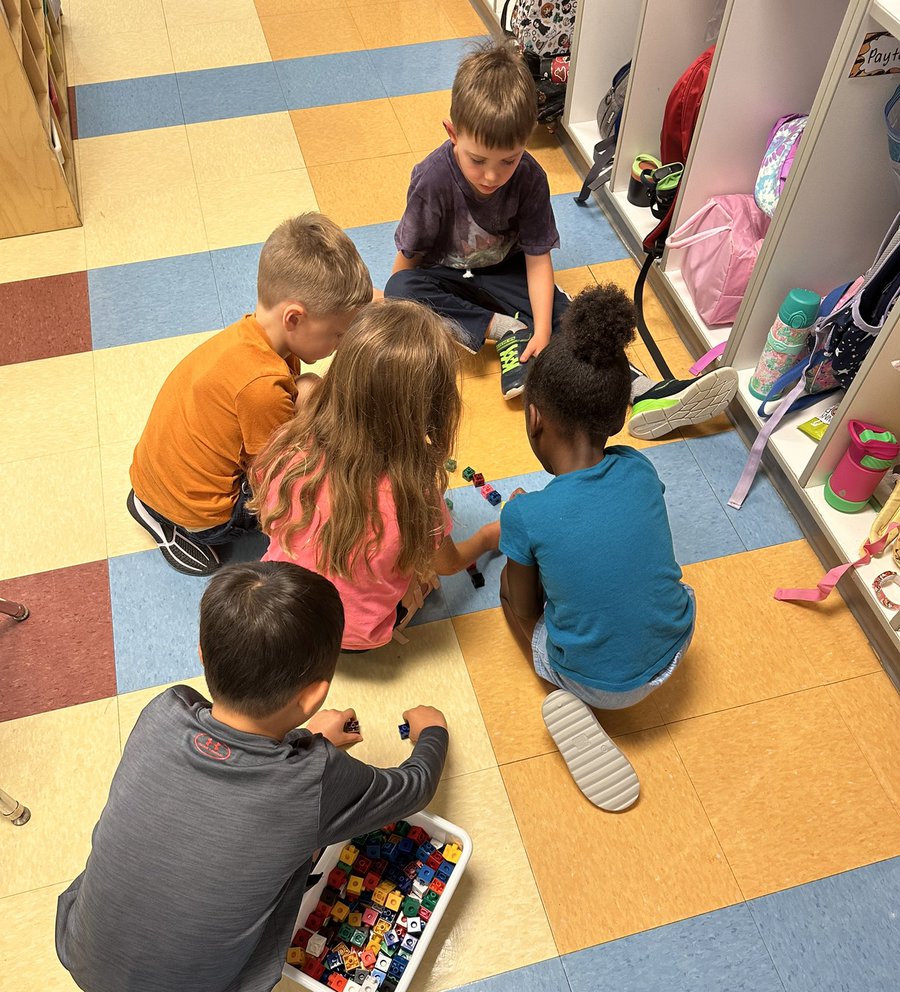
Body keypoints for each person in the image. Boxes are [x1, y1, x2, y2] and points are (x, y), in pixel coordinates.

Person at [55, 561, 449, 992]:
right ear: (315, 696)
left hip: (76, 949)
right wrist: (433, 731)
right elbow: (415, 787)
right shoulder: (314, 778)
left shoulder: (163, 712)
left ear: (203, 655)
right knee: (300, 845)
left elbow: (230, 766)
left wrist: (304, 739)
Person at [384, 39, 738, 428]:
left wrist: (541, 328)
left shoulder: (531, 177)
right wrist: (392, 312)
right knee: (400, 290)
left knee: (565, 316)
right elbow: (409, 259)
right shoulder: (432, 179)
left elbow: (538, 260)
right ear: (452, 133)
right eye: (477, 160)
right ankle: (505, 330)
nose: (491, 175)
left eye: (508, 160)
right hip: (447, 276)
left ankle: (642, 390)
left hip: (507, 272)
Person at [498, 284, 696, 811]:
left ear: (534, 417)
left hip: (600, 685)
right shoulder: (639, 465)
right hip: (676, 650)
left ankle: (563, 693)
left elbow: (526, 607)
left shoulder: (526, 512)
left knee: (506, 588)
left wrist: (520, 530)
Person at [127, 213, 373, 577]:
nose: (339, 346)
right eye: (337, 335)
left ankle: (157, 499)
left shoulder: (256, 337)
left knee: (309, 390)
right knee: (316, 492)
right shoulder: (262, 388)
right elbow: (274, 479)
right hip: (201, 510)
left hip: (166, 469)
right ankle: (168, 521)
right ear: (294, 318)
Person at [250, 300, 500, 652]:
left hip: (284, 609)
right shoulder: (414, 497)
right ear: (431, 409)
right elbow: (449, 564)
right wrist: (489, 537)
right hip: (354, 638)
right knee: (424, 575)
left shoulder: (287, 444)